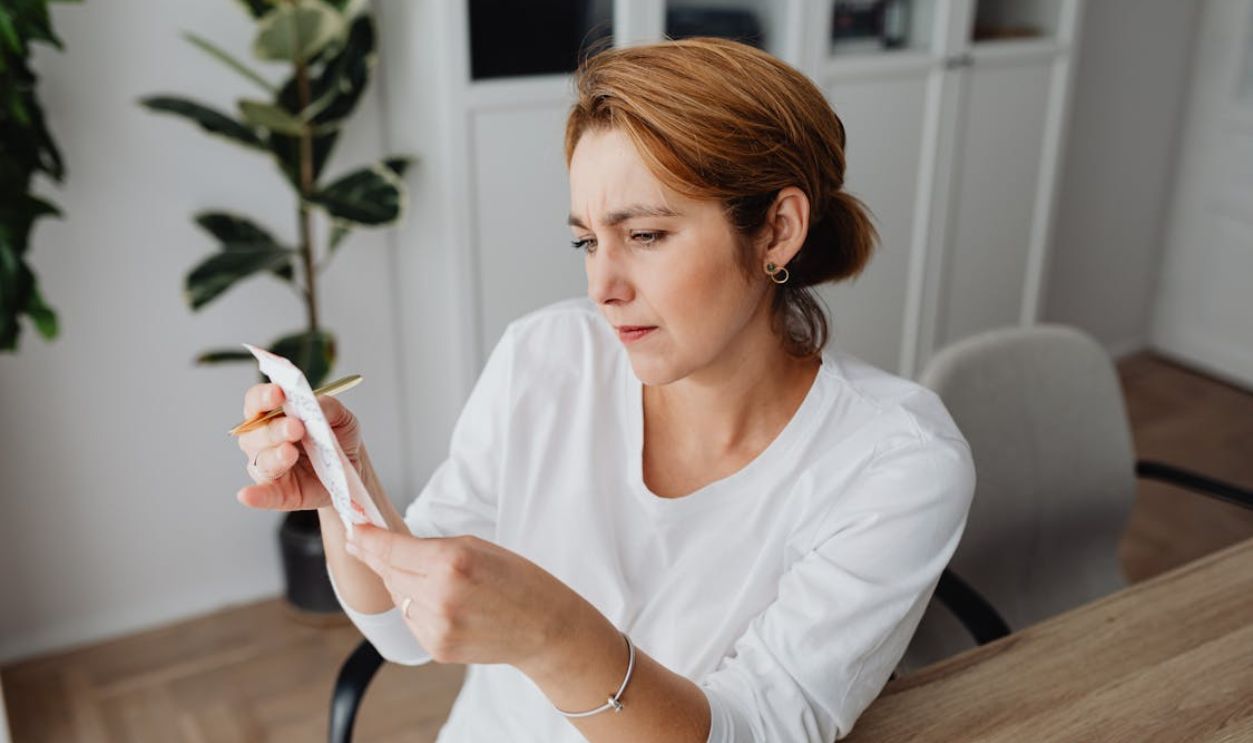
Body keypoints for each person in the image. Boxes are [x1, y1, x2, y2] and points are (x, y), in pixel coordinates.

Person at [235, 37, 975, 742]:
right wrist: (343, 488)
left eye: (646, 235)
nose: (601, 286)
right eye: (587, 241)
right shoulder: (545, 356)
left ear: (777, 230)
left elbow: (758, 728)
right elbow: (401, 631)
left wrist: (554, 634)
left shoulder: (895, 462)